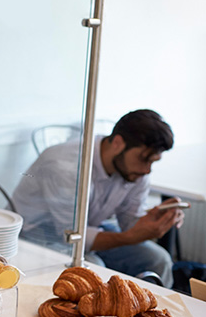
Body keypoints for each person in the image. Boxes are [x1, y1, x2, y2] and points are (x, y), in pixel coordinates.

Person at [13, 109, 181, 287]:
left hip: (87, 229)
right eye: (144, 159)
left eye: (152, 162)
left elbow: (129, 223)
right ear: (117, 142)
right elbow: (70, 235)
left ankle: (155, 313)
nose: (147, 170)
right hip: (36, 236)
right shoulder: (67, 166)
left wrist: (153, 220)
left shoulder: (135, 171)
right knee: (94, 271)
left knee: (159, 259)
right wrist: (130, 237)